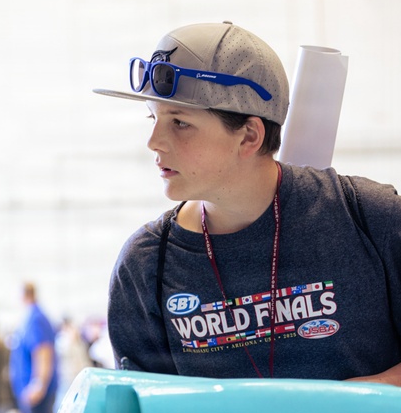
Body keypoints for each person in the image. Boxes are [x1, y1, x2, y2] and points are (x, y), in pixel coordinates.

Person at [96, 21, 401, 382]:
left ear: (249, 136)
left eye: (179, 122)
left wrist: (349, 403)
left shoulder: (369, 218)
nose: (154, 141)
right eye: (153, 117)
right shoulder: (146, 266)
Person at [9, 282, 59, 413]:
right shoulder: (30, 317)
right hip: (32, 391)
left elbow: (43, 351)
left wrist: (38, 385)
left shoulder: (35, 319)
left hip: (38, 394)